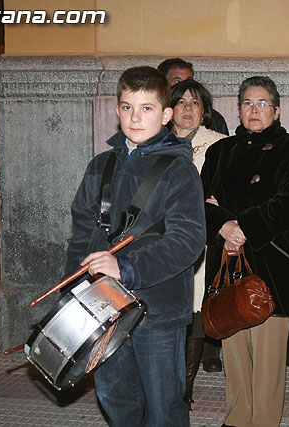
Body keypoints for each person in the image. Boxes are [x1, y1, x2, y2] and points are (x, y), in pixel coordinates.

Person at [63, 66, 206, 426]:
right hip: (103, 305)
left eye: (146, 108)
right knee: (115, 397)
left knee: (163, 406)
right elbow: (81, 235)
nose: (135, 117)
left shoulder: (179, 170)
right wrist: (72, 293)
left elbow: (188, 241)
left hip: (157, 308)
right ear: (117, 110)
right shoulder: (99, 166)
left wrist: (125, 267)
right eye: (127, 107)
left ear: (166, 114)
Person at [201, 75, 289, 426]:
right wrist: (223, 224)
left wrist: (241, 225)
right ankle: (236, 420)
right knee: (233, 354)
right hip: (228, 264)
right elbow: (199, 203)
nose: (254, 109)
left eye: (263, 103)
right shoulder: (220, 151)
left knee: (267, 362)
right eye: (248, 102)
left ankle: (263, 422)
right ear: (239, 108)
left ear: (276, 111)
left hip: (272, 263)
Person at [158, 57, 227, 373]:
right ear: (169, 109)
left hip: (200, 243)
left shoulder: (221, 146)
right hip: (159, 242)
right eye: (181, 101)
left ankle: (183, 391)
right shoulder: (153, 145)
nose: (188, 109)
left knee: (195, 312)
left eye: (195, 103)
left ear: (204, 111)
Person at [158, 57, 229, 136]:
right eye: (177, 82)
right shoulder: (153, 116)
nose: (185, 86)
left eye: (189, 80)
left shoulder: (214, 119)